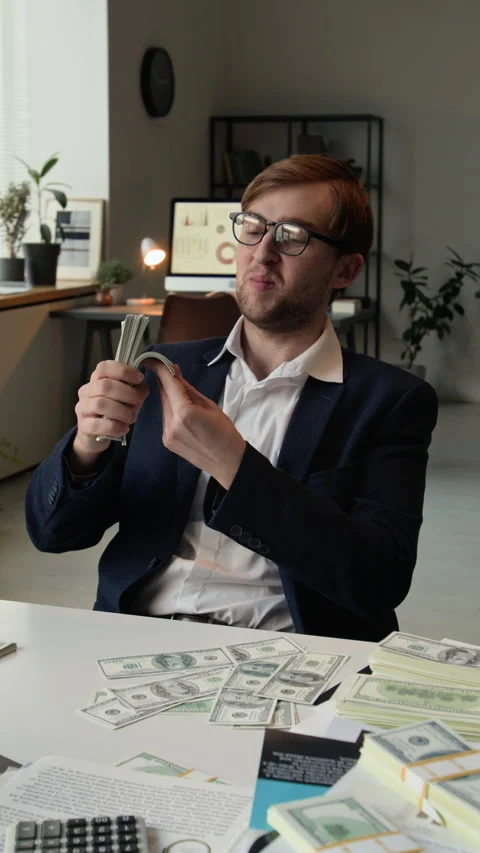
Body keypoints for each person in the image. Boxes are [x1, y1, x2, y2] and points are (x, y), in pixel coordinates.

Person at [26, 155, 438, 642]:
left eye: (292, 236)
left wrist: (235, 465)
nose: (263, 252)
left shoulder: (390, 401)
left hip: (290, 649)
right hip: (136, 637)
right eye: (253, 227)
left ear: (345, 270)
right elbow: (53, 533)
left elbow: (378, 578)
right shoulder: (161, 371)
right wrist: (86, 448)